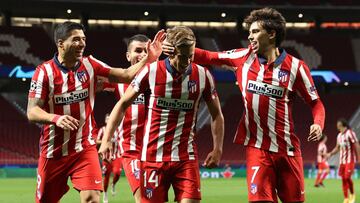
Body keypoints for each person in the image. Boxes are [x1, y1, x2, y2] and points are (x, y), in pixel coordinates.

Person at [163, 7, 325, 203]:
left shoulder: (297, 67)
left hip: (288, 150)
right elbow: (208, 56)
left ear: (272, 34)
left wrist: (318, 123)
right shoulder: (243, 58)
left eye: (255, 31)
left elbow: (316, 103)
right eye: (249, 32)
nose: (250, 36)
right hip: (257, 149)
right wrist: (177, 47)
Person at [27, 21, 165, 203]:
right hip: (53, 152)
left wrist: (149, 59)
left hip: (84, 147)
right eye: (76, 40)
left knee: (92, 198)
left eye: (83, 39)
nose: (82, 43)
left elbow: (125, 75)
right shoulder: (44, 72)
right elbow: (32, 112)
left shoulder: (90, 65)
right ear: (60, 43)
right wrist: (55, 118)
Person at [99, 26, 224, 203]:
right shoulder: (150, 73)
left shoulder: (203, 76)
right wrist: (106, 141)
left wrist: (218, 149)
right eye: (182, 56)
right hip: (149, 156)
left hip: (185, 157)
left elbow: (217, 114)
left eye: (191, 56)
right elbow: (121, 103)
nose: (187, 61)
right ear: (171, 52)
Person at [99, 34, 150, 203]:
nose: (143, 54)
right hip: (132, 148)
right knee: (143, 197)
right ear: (128, 56)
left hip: (158, 150)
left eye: (147, 51)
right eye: (138, 50)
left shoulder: (163, 79)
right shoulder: (119, 81)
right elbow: (92, 81)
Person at [327, 118, 360, 203]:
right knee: (343, 179)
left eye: (338, 125)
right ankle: (346, 198)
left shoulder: (350, 133)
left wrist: (359, 157)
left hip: (350, 160)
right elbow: (337, 148)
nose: (337, 126)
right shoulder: (339, 136)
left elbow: (356, 145)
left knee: (347, 177)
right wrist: (330, 154)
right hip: (342, 161)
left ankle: (352, 194)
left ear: (343, 125)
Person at [96, 114, 122, 203]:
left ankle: (113, 184)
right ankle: (105, 194)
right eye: (107, 118)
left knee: (117, 173)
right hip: (106, 158)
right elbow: (97, 140)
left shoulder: (118, 129)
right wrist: (105, 141)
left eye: (110, 118)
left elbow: (122, 139)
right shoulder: (103, 130)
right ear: (105, 120)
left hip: (116, 156)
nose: (109, 120)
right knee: (106, 176)